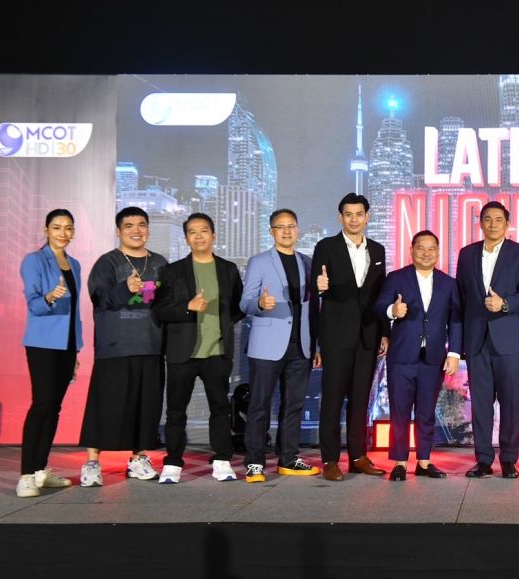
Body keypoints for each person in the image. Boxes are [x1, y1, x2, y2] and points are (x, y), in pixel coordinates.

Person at [78, 207, 166, 487]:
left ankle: (138, 458)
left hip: (151, 345)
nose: (136, 231)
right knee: (105, 405)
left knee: (146, 407)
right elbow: (99, 297)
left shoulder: (160, 263)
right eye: (129, 226)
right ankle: (92, 462)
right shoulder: (107, 262)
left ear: (148, 229)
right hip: (114, 346)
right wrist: (126, 287)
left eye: (141, 225)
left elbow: (166, 302)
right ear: (118, 231)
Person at [152, 213, 244, 484]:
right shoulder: (173, 271)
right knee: (176, 411)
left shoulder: (228, 269)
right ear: (186, 238)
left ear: (213, 235)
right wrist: (187, 308)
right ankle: (173, 462)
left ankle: (222, 460)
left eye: (204, 230)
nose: (199, 236)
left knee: (220, 408)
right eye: (192, 232)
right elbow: (159, 310)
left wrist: (221, 326)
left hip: (217, 352)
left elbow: (238, 307)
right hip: (182, 352)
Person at [310, 193, 388, 480]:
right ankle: (330, 460)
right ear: (340, 217)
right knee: (331, 400)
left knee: (360, 400)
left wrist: (384, 332)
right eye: (348, 214)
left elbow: (381, 294)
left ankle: (358, 457)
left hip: (368, 335)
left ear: (367, 217)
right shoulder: (326, 247)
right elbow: (314, 289)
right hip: (335, 336)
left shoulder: (377, 250)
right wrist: (318, 285)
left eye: (359, 214)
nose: (354, 219)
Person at [456, 201, 519, 479]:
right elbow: (461, 298)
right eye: (487, 219)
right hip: (476, 340)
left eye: (498, 219)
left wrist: (505, 304)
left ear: (507, 223)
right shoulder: (467, 254)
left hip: (509, 339)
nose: (493, 224)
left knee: (511, 403)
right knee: (480, 404)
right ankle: (483, 459)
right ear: (480, 223)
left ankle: (509, 460)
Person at [240, 209, 321, 483]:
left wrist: (316, 346)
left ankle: (288, 458)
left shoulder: (308, 263)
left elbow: (314, 309)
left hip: (301, 345)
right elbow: (244, 303)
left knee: (294, 405)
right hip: (267, 345)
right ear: (271, 231)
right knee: (259, 405)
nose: (286, 231)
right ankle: (254, 463)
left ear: (297, 230)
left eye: (291, 226)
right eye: (280, 226)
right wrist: (260, 304)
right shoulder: (259, 262)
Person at [374, 230, 462, 481]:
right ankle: (400, 462)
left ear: (438, 252)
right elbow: (378, 307)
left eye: (431, 248)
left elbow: (456, 321)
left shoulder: (449, 283)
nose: (426, 253)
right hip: (401, 356)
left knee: (426, 412)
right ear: (411, 250)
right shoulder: (396, 278)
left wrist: (454, 353)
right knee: (399, 412)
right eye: (421, 248)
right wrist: (392, 310)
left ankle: (424, 461)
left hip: (433, 358)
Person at [16, 209, 83, 497]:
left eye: (68, 228)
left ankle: (41, 470)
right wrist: (49, 297)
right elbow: (32, 303)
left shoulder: (75, 264)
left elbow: (76, 310)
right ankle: (26, 475)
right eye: (57, 227)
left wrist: (76, 349)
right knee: (42, 404)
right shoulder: (34, 260)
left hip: (67, 344)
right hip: (42, 342)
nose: (63, 233)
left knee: (54, 407)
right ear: (46, 230)